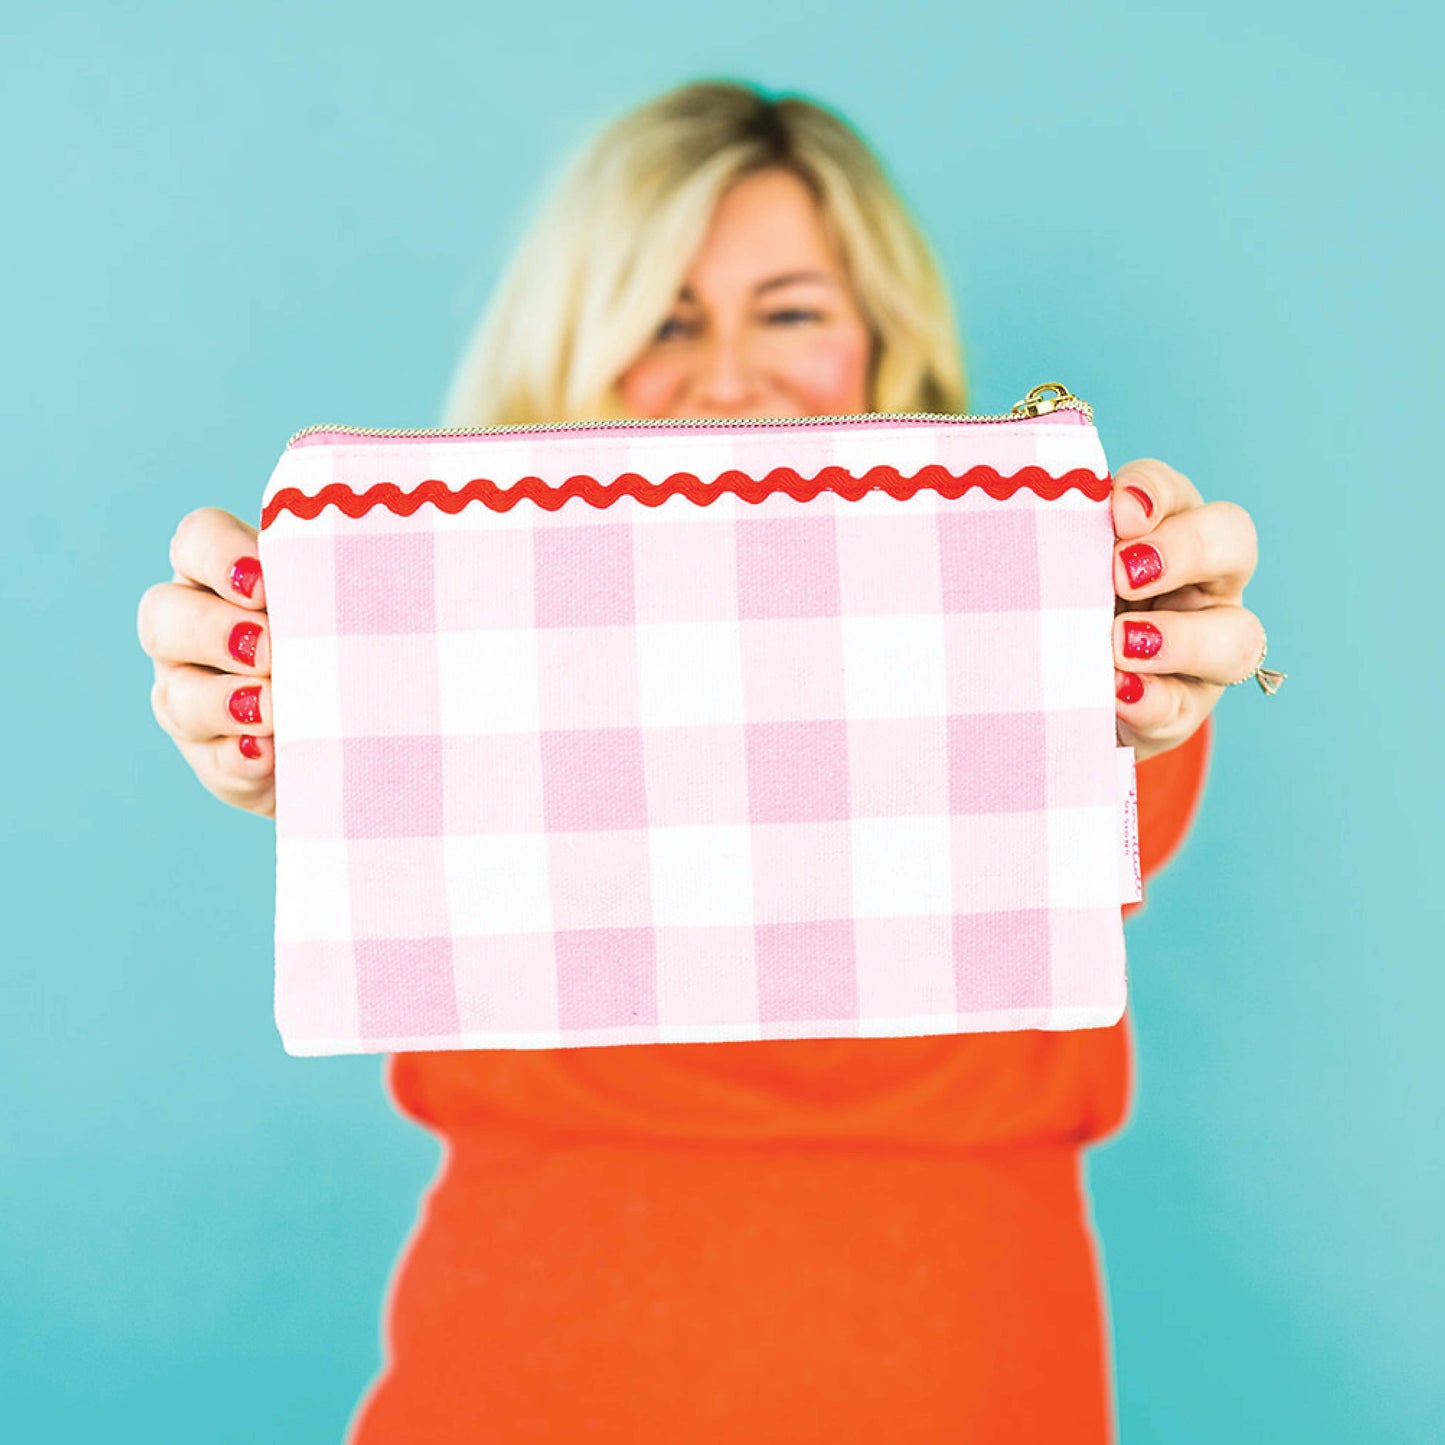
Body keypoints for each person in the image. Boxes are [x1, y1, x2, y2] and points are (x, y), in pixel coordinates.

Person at [137, 79, 1266, 1442]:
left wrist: (1140, 682)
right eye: (663, 318)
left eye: (788, 310)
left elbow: (1132, 787)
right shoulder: (472, 643)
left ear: (883, 344)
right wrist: (284, 746)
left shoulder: (1045, 624)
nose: (727, 373)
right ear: (576, 350)